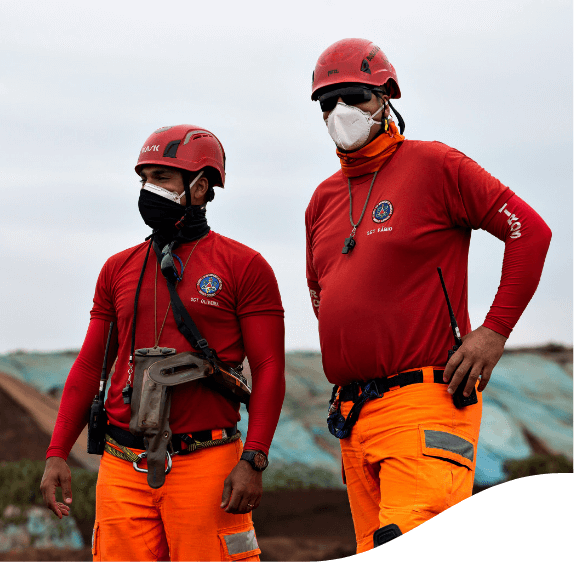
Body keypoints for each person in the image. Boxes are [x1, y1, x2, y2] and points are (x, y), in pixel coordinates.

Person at [306, 38, 551, 552]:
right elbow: (320, 292)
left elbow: (529, 231)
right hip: (354, 415)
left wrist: (495, 330)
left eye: (354, 97)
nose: (340, 113)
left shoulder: (435, 165)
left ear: (387, 96)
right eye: (328, 103)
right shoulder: (322, 201)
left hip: (425, 401)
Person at [40, 124, 286, 562]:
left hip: (208, 463)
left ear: (201, 187)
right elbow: (89, 364)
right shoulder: (118, 269)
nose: (148, 189)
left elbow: (269, 368)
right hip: (121, 465)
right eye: (144, 178)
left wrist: (254, 459)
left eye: (163, 178)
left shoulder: (245, 266)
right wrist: (57, 451)